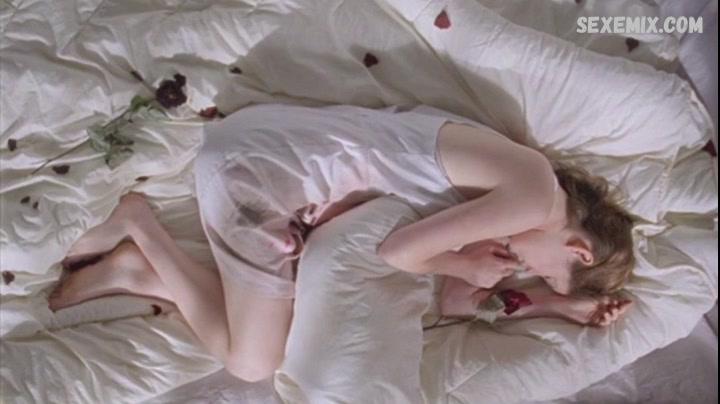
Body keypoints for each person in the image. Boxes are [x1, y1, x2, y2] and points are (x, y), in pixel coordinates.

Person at [48, 104, 635, 383]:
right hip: (260, 176)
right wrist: (462, 263)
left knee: (266, 340)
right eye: (545, 273)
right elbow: (397, 254)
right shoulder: (532, 197)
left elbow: (456, 304)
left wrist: (553, 304)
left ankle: (141, 272)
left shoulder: (519, 178)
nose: (525, 268)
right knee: (253, 363)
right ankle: (140, 229)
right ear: (578, 250)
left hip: (272, 156)